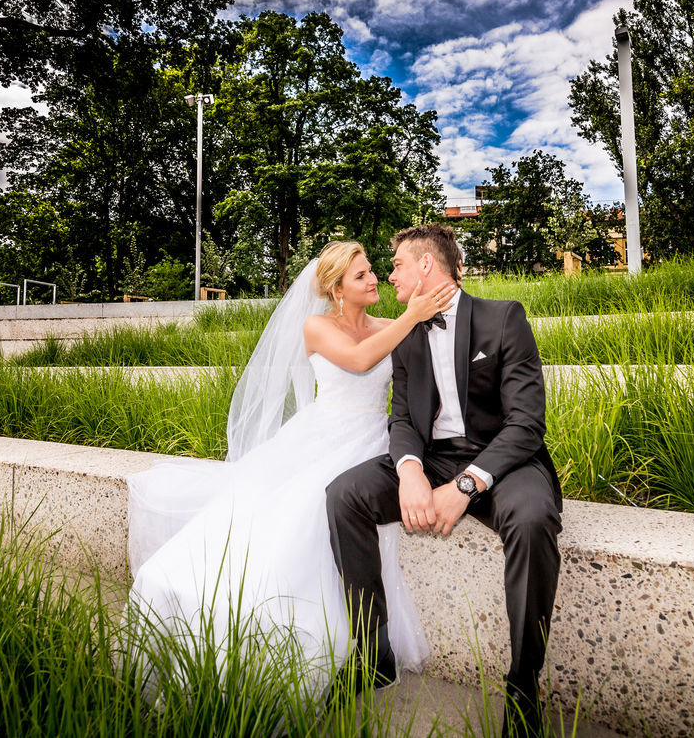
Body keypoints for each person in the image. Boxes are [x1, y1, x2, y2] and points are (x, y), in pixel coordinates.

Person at [127, 240, 457, 693]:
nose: (374, 278)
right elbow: (361, 360)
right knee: (288, 512)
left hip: (373, 436)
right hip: (323, 433)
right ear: (337, 289)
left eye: (372, 271)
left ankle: (367, 645)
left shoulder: (389, 323)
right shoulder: (317, 326)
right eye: (360, 275)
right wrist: (411, 316)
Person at [326, 224, 562, 738]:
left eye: (396, 267)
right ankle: (375, 653)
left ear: (426, 268)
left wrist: (466, 486)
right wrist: (409, 471)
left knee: (533, 518)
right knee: (344, 495)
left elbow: (526, 424)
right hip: (431, 459)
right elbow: (404, 419)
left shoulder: (504, 318)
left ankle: (523, 688)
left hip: (504, 461)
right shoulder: (407, 333)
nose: (389, 278)